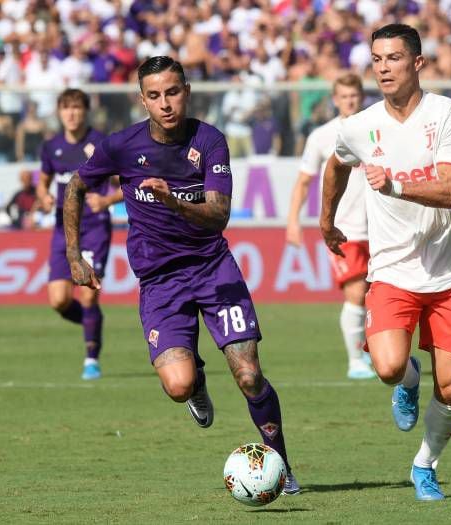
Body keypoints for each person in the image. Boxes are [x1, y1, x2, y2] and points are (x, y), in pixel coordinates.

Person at [62, 56, 300, 495]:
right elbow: (76, 186)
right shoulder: (122, 145)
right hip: (159, 281)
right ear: (143, 99)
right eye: (154, 95)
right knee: (178, 385)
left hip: (213, 270)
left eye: (172, 92)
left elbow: (219, 215)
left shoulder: (210, 141)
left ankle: (281, 463)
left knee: (249, 374)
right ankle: (197, 386)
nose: (165, 103)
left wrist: (174, 203)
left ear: (186, 91)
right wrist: (75, 256)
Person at [320, 24, 451, 501]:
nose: (384, 67)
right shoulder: (359, 126)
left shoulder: (448, 114)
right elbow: (336, 165)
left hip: (450, 271)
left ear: (417, 63)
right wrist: (327, 222)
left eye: (393, 58)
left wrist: (394, 185)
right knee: (388, 367)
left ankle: (424, 464)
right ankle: (408, 377)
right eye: (377, 59)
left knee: (450, 390)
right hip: (391, 269)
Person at [286, 72, 374, 380]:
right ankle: (356, 361)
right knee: (357, 292)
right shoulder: (322, 136)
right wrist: (293, 221)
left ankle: (374, 354)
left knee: (378, 296)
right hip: (344, 230)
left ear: (361, 97)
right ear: (335, 100)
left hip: (381, 229)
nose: (350, 101)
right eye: (344, 97)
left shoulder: (376, 128)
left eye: (354, 96)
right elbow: (303, 182)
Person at [37, 88, 120, 381]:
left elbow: (127, 183)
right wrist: (43, 196)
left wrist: (108, 200)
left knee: (88, 295)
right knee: (58, 301)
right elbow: (43, 180)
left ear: (86, 111)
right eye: (66, 108)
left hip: (95, 227)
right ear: (59, 112)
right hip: (63, 229)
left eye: (76, 108)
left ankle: (91, 359)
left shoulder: (100, 144)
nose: (71, 114)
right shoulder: (51, 146)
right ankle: (92, 323)